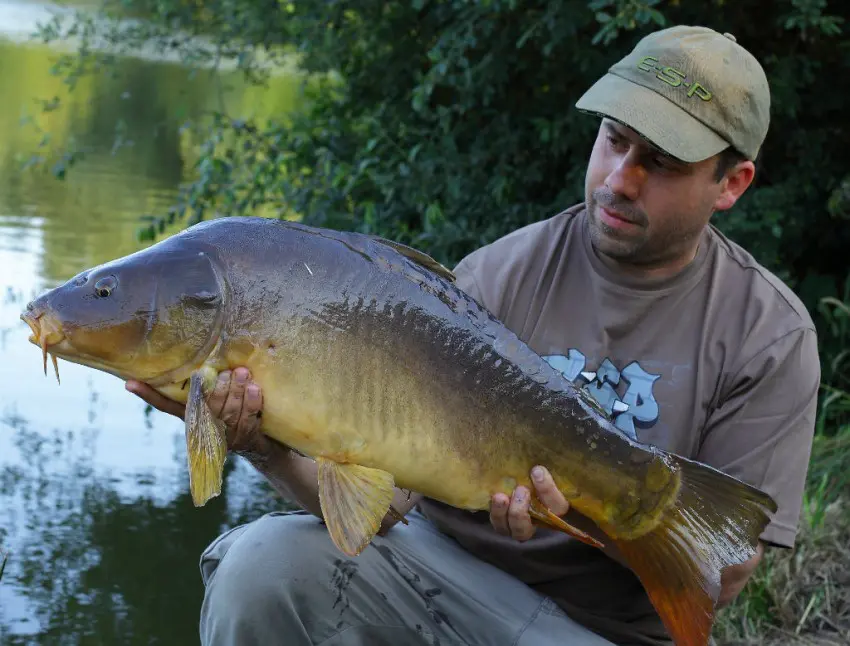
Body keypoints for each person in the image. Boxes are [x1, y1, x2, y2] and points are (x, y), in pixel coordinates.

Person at [127, 25, 820, 645]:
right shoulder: (498, 273)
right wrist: (263, 445)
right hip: (438, 574)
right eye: (615, 140)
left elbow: (721, 579)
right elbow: (384, 508)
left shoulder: (769, 336)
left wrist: (585, 511)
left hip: (599, 628)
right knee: (257, 567)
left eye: (661, 163)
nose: (620, 179)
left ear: (731, 183)